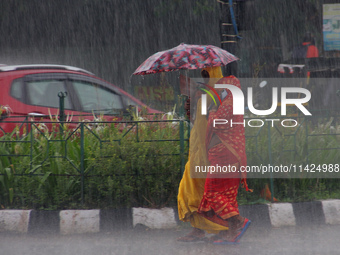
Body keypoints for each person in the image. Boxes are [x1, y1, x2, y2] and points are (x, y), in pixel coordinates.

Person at [197, 74, 252, 244]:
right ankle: (230, 231)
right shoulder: (231, 102)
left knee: (212, 192)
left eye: (222, 88)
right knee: (227, 196)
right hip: (226, 156)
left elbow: (219, 123)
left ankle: (238, 221)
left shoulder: (230, 103)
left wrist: (212, 112)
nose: (219, 92)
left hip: (224, 156)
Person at [177, 66, 228, 242]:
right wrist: (190, 109)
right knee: (191, 189)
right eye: (203, 73)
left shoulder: (222, 94)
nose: (204, 75)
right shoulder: (204, 93)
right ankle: (199, 229)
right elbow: (198, 120)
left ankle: (225, 228)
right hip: (198, 150)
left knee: (207, 192)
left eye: (207, 73)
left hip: (212, 149)